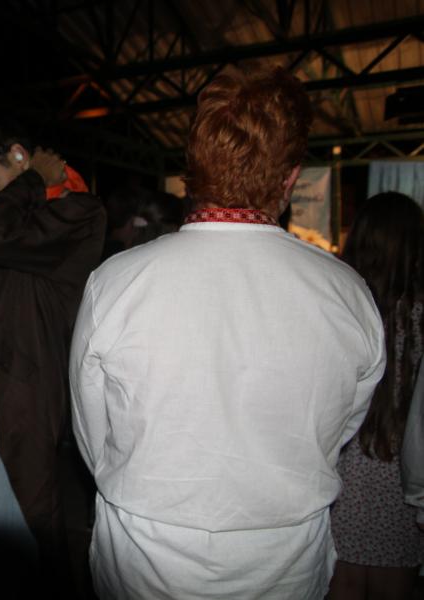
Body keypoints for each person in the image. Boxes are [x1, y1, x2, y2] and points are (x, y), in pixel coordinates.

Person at [69, 66, 386, 599]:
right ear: (290, 178)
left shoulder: (116, 283)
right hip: (285, 561)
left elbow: (93, 435)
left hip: (144, 557)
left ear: (193, 171)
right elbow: (340, 427)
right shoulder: (348, 294)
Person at [0, 120, 106, 590]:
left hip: (25, 397)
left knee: (29, 535)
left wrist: (34, 179)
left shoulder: (77, 211)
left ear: (20, 157)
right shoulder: (18, 219)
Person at [329, 191, 424, 600]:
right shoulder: (419, 313)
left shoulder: (338, 308)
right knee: (396, 584)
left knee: (341, 581)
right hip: (404, 472)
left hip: (341, 463)